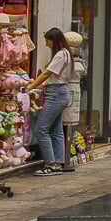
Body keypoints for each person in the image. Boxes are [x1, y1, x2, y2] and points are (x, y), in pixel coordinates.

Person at [27, 27, 73, 175]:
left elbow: (47, 73)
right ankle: (59, 163)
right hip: (60, 92)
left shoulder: (60, 55)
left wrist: (30, 87)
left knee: (41, 129)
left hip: (56, 95)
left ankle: (50, 164)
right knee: (56, 130)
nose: (47, 44)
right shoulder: (66, 53)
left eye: (48, 41)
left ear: (54, 41)